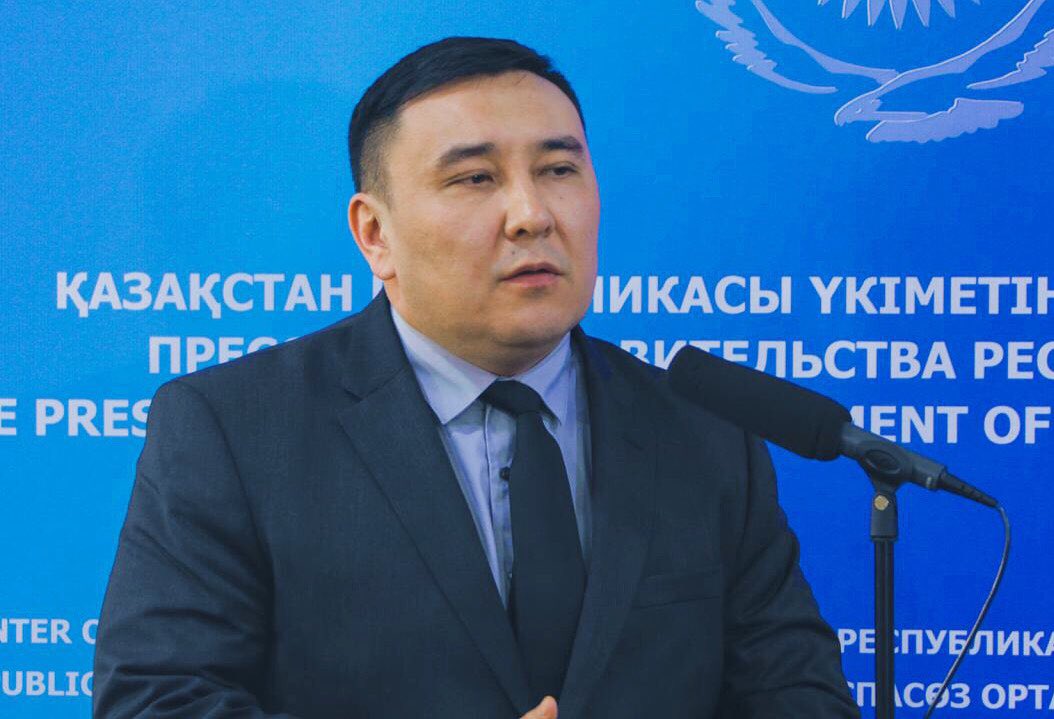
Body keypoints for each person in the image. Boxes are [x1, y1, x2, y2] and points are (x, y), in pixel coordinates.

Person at [93, 37, 860, 718]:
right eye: (474, 179)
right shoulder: (235, 428)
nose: (531, 214)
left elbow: (798, 696)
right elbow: (157, 699)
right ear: (375, 233)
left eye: (558, 169)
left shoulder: (703, 428)